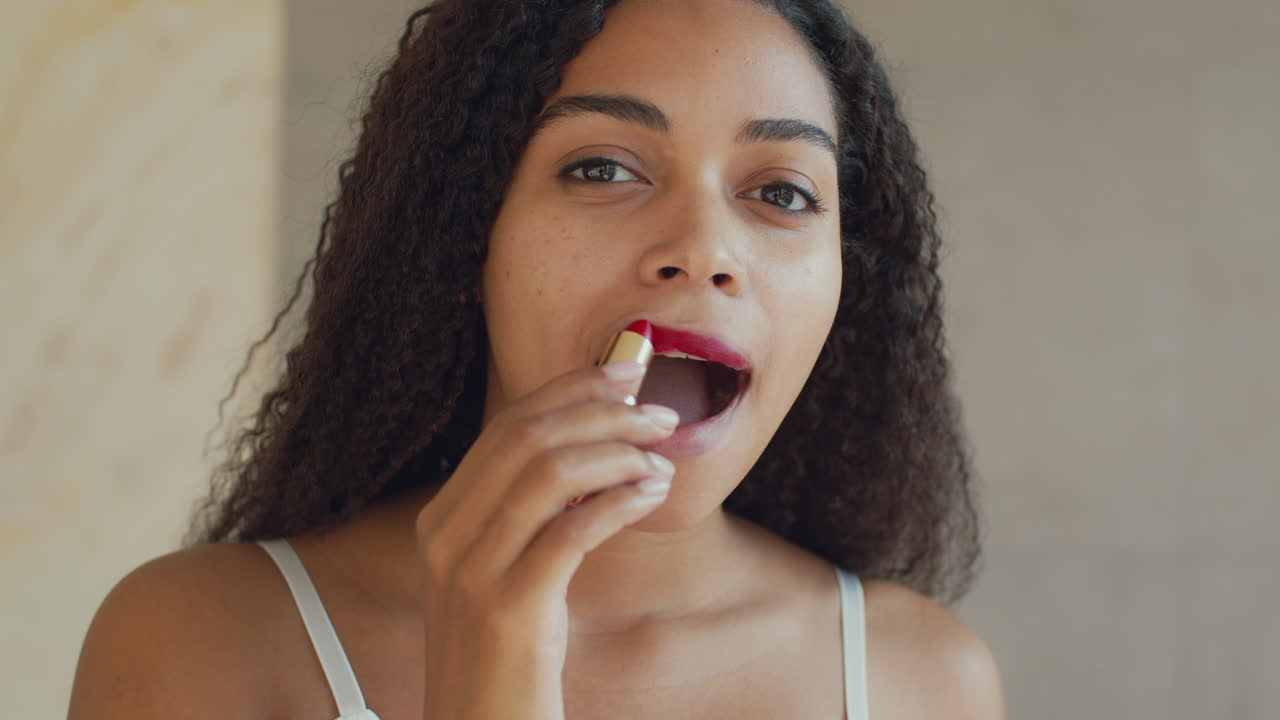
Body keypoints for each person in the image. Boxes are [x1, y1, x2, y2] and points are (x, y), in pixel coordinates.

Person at [68, 0, 1005, 717]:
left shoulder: (922, 683)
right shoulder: (197, 644)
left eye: (781, 192)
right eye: (603, 168)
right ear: (469, 236)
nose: (705, 246)